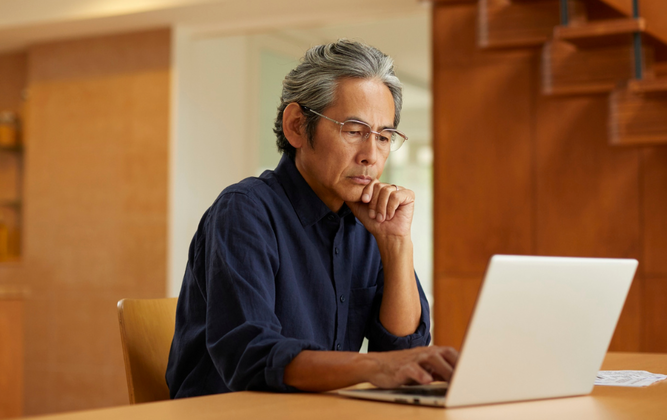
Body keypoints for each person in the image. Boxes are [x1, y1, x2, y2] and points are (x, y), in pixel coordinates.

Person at [166, 39, 458, 398]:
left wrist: (396, 243)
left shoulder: (368, 221)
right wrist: (375, 367)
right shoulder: (244, 210)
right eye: (354, 131)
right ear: (296, 126)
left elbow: (400, 357)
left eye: (384, 137)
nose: (371, 155)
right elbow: (252, 358)